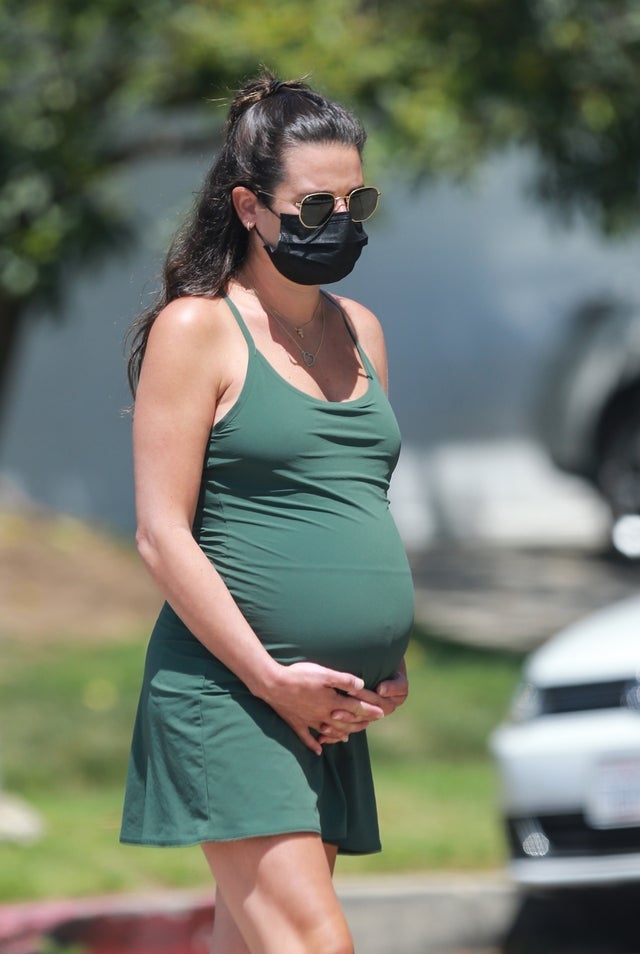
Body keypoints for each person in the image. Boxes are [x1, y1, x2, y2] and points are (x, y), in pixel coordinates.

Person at [120, 70, 415, 954]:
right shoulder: (198, 330)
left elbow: (354, 505)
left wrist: (384, 662)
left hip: (327, 705)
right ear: (249, 207)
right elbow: (160, 535)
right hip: (231, 691)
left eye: (354, 200)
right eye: (314, 207)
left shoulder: (362, 329)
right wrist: (267, 677)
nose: (341, 222)